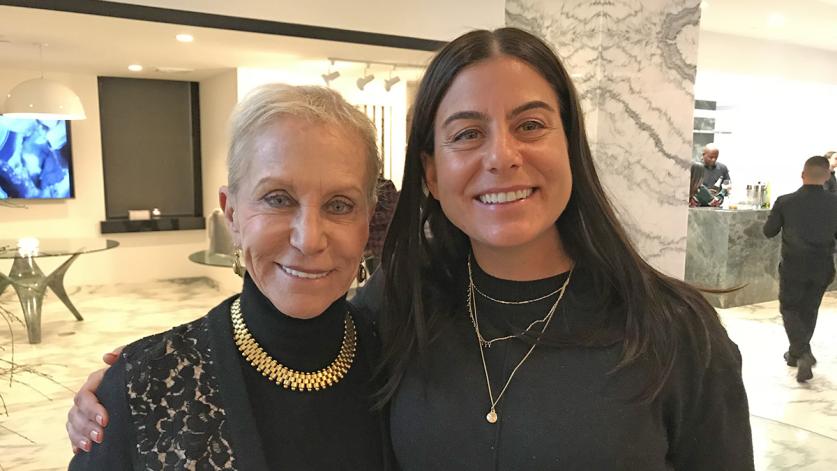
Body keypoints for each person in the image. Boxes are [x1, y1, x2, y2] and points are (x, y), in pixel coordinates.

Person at [68, 27, 753, 470]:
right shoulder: (399, 310)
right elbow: (283, 339)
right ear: (429, 171)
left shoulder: (673, 332)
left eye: (530, 125)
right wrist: (133, 388)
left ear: (570, 144)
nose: (502, 157)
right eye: (465, 134)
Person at [68, 84, 391, 469]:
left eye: (340, 205)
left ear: (367, 219)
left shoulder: (402, 361)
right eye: (278, 199)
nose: (309, 239)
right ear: (232, 213)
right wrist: (124, 386)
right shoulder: (145, 382)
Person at [763, 155, 837, 383]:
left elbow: (769, 231)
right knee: (809, 308)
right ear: (826, 176)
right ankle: (796, 354)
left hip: (794, 265)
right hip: (823, 265)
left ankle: (802, 352)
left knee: (790, 308)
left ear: (803, 174)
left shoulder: (786, 201)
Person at [363, 175, 399, 275]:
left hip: (382, 248)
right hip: (368, 248)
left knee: (382, 282)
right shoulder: (360, 185)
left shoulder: (386, 186)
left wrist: (363, 217)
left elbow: (391, 214)